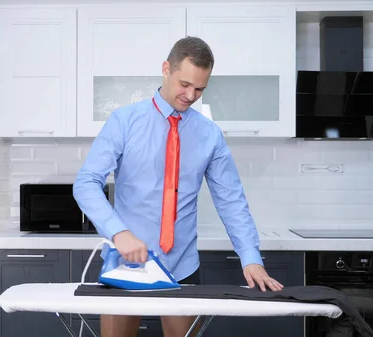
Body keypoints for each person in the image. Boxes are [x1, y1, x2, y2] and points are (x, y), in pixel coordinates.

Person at [73, 36, 284, 337]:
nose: (190, 95)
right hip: (127, 262)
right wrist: (119, 233)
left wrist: (250, 257)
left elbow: (231, 201)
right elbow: (86, 183)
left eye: (200, 88)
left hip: (182, 265)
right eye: (184, 84)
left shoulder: (210, 136)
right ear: (166, 70)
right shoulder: (124, 121)